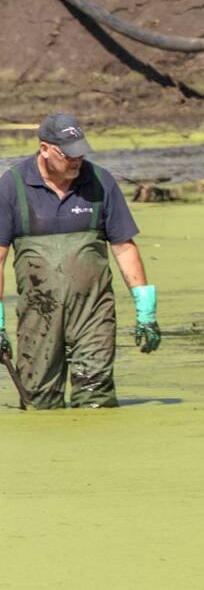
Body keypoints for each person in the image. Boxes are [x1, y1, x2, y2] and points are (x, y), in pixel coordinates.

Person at [0, 113, 161, 409]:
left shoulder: (100, 182)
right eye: (68, 154)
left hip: (93, 312)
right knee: (39, 400)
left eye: (80, 152)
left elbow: (124, 246)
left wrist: (145, 308)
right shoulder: (13, 185)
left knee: (96, 397)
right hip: (39, 313)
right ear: (45, 148)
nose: (76, 160)